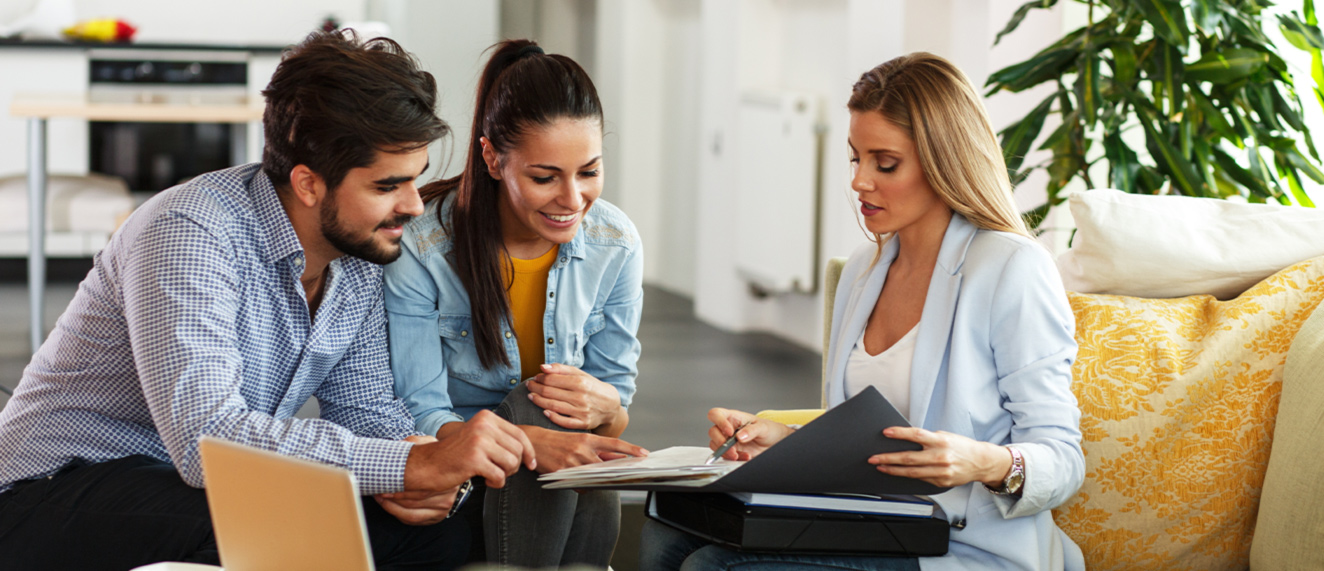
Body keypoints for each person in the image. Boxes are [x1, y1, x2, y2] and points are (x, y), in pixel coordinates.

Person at [0, 31, 535, 571]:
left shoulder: (359, 258)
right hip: (50, 489)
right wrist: (405, 465)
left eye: (414, 181)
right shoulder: (188, 233)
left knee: (435, 536)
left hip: (185, 490)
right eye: (386, 186)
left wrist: (423, 470)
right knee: (286, 528)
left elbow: (367, 411)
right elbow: (207, 440)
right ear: (308, 184)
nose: (414, 206)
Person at [641, 52, 1085, 571]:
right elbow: (868, 434)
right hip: (871, 526)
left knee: (711, 567)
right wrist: (787, 443)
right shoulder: (862, 270)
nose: (859, 181)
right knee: (664, 534)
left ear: (945, 161)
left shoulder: (1010, 268)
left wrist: (981, 462)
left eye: (885, 163)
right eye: (856, 158)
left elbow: (1063, 459)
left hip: (963, 548)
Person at [384, 39, 646, 569]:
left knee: (566, 409)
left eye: (589, 172)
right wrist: (529, 440)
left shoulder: (616, 243)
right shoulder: (423, 245)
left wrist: (607, 408)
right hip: (461, 470)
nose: (573, 200)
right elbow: (419, 409)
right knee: (540, 405)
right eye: (544, 177)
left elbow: (614, 411)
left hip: (559, 478)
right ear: (492, 158)